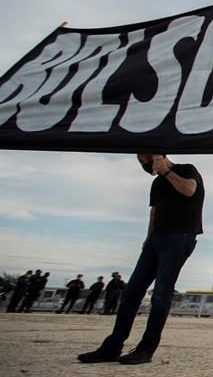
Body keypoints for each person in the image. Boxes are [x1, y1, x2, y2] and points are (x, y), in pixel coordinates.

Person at [77, 153, 204, 365]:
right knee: (131, 292)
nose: (144, 165)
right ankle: (113, 346)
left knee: (161, 294)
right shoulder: (157, 183)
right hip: (156, 239)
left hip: (180, 237)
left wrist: (166, 171)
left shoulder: (186, 170)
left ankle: (146, 348)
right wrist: (148, 239)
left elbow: (189, 190)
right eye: (140, 162)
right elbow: (154, 212)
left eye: (145, 160)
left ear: (159, 156)